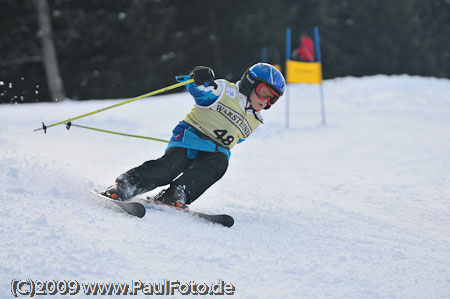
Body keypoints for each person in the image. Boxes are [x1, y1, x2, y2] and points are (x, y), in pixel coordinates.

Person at [102, 63, 286, 209]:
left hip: (214, 152)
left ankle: (177, 193)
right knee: (170, 168)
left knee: (220, 164)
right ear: (249, 82)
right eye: (264, 92)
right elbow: (199, 91)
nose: (266, 101)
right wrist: (198, 78)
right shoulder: (225, 91)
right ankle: (126, 185)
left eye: (273, 98)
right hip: (190, 138)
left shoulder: (255, 120)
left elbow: (238, 137)